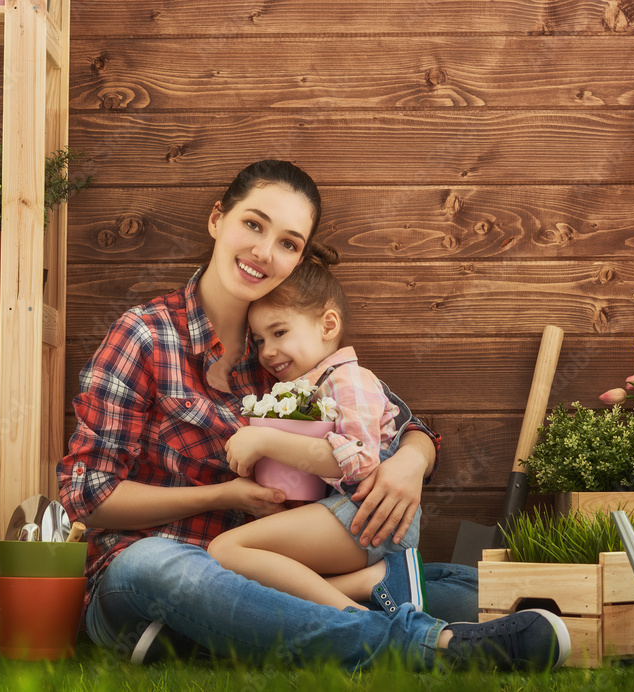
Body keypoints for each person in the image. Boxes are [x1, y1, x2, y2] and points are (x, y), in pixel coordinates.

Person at [57, 159, 570, 670]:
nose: (264, 252)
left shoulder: (291, 352)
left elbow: (407, 425)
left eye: (288, 242)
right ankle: (420, 646)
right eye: (253, 224)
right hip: (152, 574)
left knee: (467, 589)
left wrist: (410, 464)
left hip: (279, 574)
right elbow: (89, 495)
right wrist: (225, 495)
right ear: (218, 219)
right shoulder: (146, 335)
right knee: (161, 567)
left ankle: (229, 639)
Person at [208, 244, 427, 613]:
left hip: (372, 517)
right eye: (260, 340)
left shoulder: (348, 379)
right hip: (349, 513)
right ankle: (372, 586)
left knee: (227, 550)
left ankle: (364, 622)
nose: (267, 352)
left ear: (328, 324)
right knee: (270, 571)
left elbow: (359, 462)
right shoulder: (311, 386)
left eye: (279, 333)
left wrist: (264, 439)